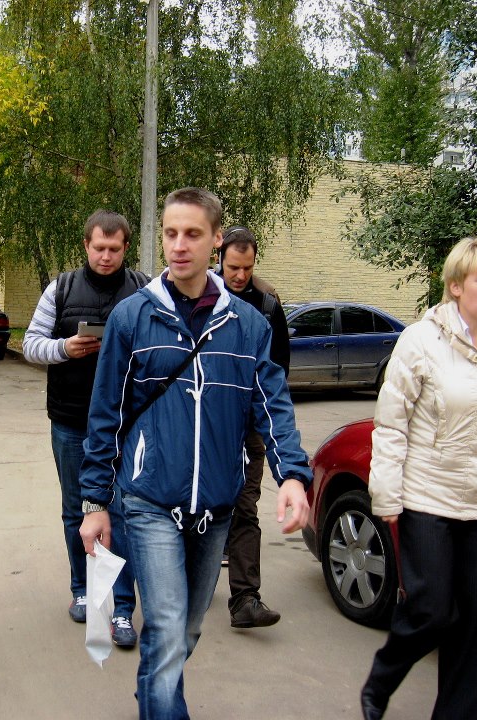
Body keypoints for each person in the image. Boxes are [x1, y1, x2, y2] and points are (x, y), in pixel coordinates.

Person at [79, 188, 312, 718]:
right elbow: (105, 414)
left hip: (217, 506)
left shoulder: (248, 325)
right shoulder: (132, 317)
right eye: (170, 233)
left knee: (186, 631)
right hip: (148, 499)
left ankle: (154, 696)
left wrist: (293, 477)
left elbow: (272, 405)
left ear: (216, 240)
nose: (179, 245)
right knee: (165, 628)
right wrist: (95, 503)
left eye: (192, 234)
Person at [360, 236, 477, 720]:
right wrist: (386, 494)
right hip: (428, 497)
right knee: (432, 610)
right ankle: (384, 676)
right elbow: (392, 424)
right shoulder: (421, 341)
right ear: (456, 286)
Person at [23, 209, 147, 648]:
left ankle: (123, 608)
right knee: (77, 511)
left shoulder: (144, 289)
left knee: (124, 514)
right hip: (71, 420)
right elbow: (30, 344)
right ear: (86, 245)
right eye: (99, 248)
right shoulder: (60, 289)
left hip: (127, 425)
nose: (106, 256)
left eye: (114, 249)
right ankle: (82, 589)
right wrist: (65, 348)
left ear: (126, 248)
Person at [216, 225, 291, 628]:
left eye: (247, 268)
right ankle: (189, 586)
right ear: (219, 259)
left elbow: (278, 372)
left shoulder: (266, 304)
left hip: (248, 430)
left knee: (245, 508)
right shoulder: (201, 296)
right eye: (233, 267)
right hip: (207, 425)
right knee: (200, 509)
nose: (240, 275)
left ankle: (245, 598)